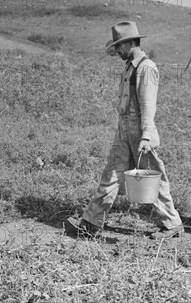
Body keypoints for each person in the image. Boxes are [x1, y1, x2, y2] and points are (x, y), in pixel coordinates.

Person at [65, 21, 184, 239]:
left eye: (120, 46)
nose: (118, 51)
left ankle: (173, 224)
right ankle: (90, 224)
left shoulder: (146, 68)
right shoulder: (130, 66)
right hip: (125, 129)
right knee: (111, 174)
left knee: (151, 177)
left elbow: (148, 106)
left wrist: (146, 137)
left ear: (130, 43)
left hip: (139, 131)